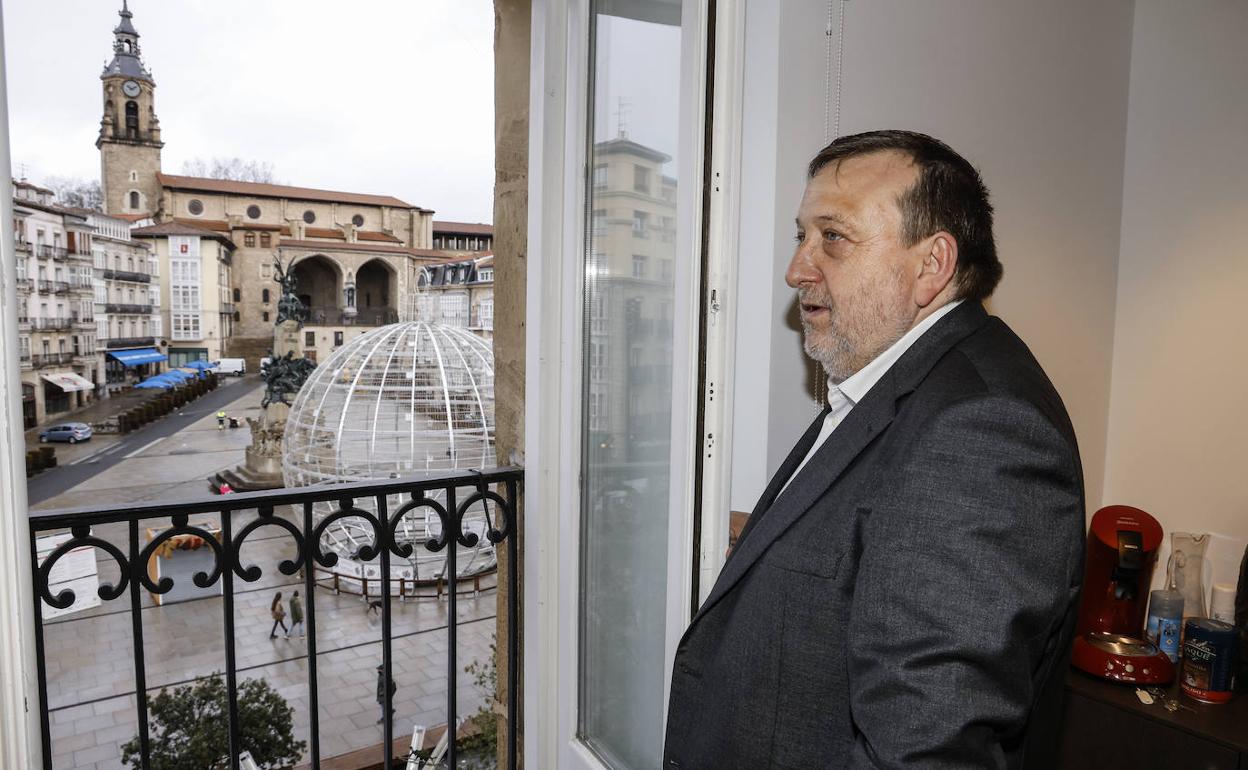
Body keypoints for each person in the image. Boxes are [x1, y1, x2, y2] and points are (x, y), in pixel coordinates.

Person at [664, 131, 1085, 769]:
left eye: (833, 237)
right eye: (801, 236)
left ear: (931, 265)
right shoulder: (896, 386)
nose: (797, 268)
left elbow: (927, 750)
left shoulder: (983, 429)